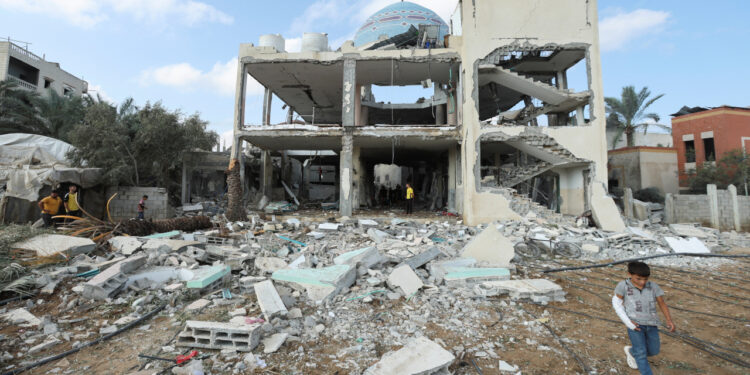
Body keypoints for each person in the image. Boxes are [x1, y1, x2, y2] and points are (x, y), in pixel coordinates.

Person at [612, 261, 675, 375]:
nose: (642, 282)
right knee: (641, 353)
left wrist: (669, 320)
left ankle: (631, 351)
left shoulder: (653, 287)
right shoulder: (623, 286)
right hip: (635, 325)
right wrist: (628, 322)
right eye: (638, 279)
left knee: (653, 350)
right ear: (629, 274)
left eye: (645, 279)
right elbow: (617, 302)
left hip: (652, 323)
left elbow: (661, 303)